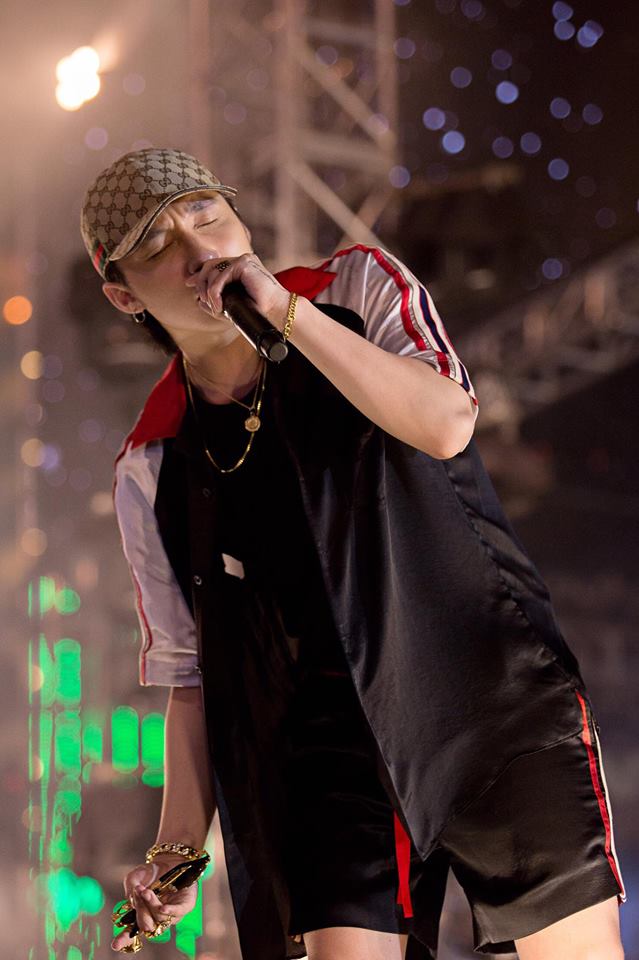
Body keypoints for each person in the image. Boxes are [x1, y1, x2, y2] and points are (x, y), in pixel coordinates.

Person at [80, 148, 625, 960]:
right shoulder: (152, 462)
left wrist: (283, 313)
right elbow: (194, 676)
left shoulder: (356, 289)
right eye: (157, 245)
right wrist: (177, 849)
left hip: (486, 690)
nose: (197, 249)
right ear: (124, 295)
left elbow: (446, 423)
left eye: (206, 215)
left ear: (239, 223)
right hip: (330, 739)